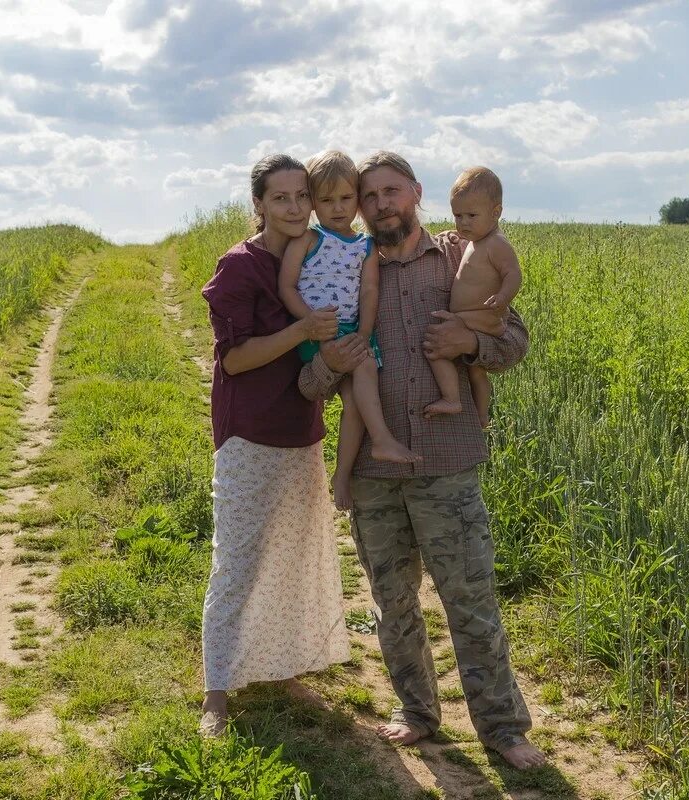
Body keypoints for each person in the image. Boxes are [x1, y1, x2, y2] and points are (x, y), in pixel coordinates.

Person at [298, 151, 547, 770]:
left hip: (446, 462)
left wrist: (475, 342)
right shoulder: (344, 269)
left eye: (392, 191)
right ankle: (416, 713)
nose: (381, 204)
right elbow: (308, 385)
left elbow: (514, 340)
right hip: (376, 476)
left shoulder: (460, 256)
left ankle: (503, 730)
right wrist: (332, 361)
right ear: (358, 208)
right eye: (369, 196)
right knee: (394, 603)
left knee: (470, 600)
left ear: (415, 193)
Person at [199, 153, 350, 736]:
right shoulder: (240, 267)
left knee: (290, 553)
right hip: (248, 433)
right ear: (258, 204)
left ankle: (278, 666)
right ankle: (216, 694)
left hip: (301, 430)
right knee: (236, 562)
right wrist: (299, 332)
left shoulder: (316, 254)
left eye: (300, 196)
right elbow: (234, 359)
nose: (293, 207)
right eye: (279, 198)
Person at [279, 150, 420, 511]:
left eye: (346, 198)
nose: (338, 208)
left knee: (356, 400)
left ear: (356, 200)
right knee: (366, 370)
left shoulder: (365, 246)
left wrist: (365, 333)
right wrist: (309, 323)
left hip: (354, 330)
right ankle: (382, 438)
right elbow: (287, 286)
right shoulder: (308, 240)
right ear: (313, 203)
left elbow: (369, 290)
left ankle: (342, 473)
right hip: (319, 330)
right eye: (326, 200)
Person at [424, 167, 522, 428]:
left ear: (496, 212)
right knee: (476, 371)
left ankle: (452, 397)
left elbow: (513, 274)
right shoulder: (474, 241)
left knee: (437, 347)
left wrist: (502, 297)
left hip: (480, 316)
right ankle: (481, 416)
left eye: (471, 216)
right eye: (458, 215)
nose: (463, 223)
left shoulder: (496, 244)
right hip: (470, 317)